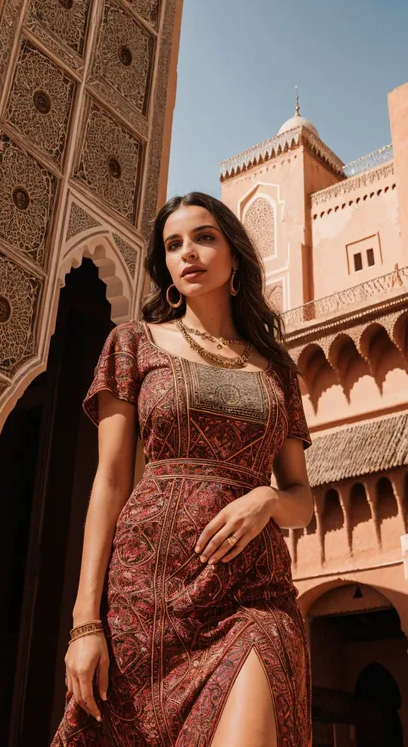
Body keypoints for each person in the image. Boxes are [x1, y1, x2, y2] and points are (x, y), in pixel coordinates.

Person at [51, 192, 314, 747]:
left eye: (204, 238)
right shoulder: (133, 345)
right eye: (173, 245)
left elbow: (300, 499)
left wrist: (264, 499)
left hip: (252, 592)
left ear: (235, 257)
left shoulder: (276, 371)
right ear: (165, 266)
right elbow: (112, 481)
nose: (188, 253)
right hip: (146, 592)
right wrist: (85, 622)